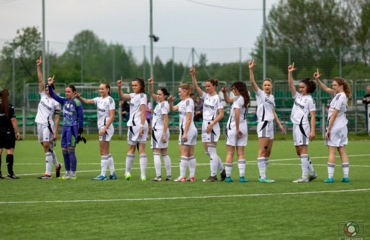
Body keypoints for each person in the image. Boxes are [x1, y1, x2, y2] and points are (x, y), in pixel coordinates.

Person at [249, 59, 285, 183]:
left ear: (272, 86)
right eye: (265, 85)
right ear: (262, 86)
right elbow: (252, 82)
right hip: (263, 123)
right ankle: (262, 176)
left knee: (268, 152)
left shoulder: (272, 97)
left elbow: (273, 112)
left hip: (271, 124)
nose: (267, 86)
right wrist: (251, 69)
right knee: (262, 150)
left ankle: (263, 175)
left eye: (269, 85)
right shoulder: (260, 94)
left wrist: (279, 125)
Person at [314, 70, 351, 183]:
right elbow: (325, 88)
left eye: (335, 85)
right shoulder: (339, 95)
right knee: (342, 151)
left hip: (335, 127)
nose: (333, 87)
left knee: (332, 152)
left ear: (341, 86)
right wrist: (317, 80)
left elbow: (334, 114)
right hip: (343, 126)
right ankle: (345, 176)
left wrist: (328, 129)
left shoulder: (341, 97)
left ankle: (330, 177)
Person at [190, 65, 225, 182]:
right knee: (207, 151)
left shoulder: (217, 98)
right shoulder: (205, 96)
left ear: (214, 86)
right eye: (206, 86)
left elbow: (221, 114)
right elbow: (195, 87)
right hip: (205, 125)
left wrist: (211, 124)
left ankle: (213, 175)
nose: (207, 88)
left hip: (212, 126)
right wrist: (193, 75)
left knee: (212, 151)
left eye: (209, 86)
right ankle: (222, 171)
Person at [75, 83, 117, 180]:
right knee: (106, 151)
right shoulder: (99, 99)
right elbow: (86, 101)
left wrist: (104, 128)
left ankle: (103, 175)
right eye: (100, 89)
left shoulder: (110, 100)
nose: (101, 90)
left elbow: (112, 116)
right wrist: (79, 98)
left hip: (106, 128)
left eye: (103, 89)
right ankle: (113, 173)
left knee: (102, 151)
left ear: (108, 89)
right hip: (103, 128)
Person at [47, 77, 84, 180]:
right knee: (64, 150)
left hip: (72, 128)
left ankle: (73, 173)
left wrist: (80, 130)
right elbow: (53, 95)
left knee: (71, 150)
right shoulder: (64, 101)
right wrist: (49, 85)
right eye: (66, 92)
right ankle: (67, 172)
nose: (67, 93)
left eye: (69, 92)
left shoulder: (77, 102)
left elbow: (81, 117)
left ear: (74, 92)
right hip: (65, 128)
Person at [287, 63, 318, 183]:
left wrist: (313, 130)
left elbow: (313, 116)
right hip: (295, 127)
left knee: (303, 151)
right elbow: (290, 86)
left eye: (302, 87)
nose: (300, 89)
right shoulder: (298, 96)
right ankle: (312, 173)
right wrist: (290, 73)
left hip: (302, 126)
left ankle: (304, 177)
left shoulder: (310, 100)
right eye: (299, 87)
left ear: (308, 88)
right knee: (298, 152)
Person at [35, 57, 62, 179]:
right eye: (45, 89)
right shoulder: (43, 96)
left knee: (47, 146)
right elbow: (40, 80)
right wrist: (38, 66)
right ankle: (57, 166)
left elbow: (56, 118)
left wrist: (56, 132)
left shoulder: (56, 102)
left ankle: (48, 173)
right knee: (46, 146)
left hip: (48, 126)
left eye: (49, 89)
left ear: (53, 89)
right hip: (39, 124)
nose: (47, 91)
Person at [117, 77, 149, 181]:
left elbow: (143, 112)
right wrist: (119, 87)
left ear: (141, 86)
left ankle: (127, 172)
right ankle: (142, 175)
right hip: (140, 125)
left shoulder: (142, 96)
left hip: (136, 125)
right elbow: (121, 95)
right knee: (141, 150)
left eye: (136, 85)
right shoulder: (133, 95)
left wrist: (141, 126)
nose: (134, 87)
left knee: (132, 149)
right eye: (132, 85)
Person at [221, 81, 250, 182]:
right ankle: (242, 177)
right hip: (243, 127)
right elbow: (228, 100)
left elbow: (236, 115)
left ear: (239, 89)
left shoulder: (238, 100)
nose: (232, 91)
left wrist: (237, 129)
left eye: (234, 89)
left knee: (230, 153)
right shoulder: (245, 98)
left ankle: (228, 176)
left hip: (234, 127)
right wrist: (224, 93)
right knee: (241, 153)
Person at [169, 84, 198, 182]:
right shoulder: (183, 102)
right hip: (189, 130)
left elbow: (189, 118)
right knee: (190, 154)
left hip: (188, 130)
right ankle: (192, 176)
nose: (179, 93)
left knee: (184, 154)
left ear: (185, 91)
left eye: (180, 91)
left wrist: (184, 133)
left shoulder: (188, 102)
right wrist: (170, 102)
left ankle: (182, 176)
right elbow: (172, 109)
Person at [147, 77, 172, 181]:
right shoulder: (161, 103)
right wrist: (150, 84)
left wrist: (163, 134)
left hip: (159, 130)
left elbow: (166, 120)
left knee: (155, 151)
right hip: (161, 130)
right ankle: (169, 175)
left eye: (160, 94)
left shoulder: (162, 105)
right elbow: (151, 93)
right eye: (157, 94)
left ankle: (158, 176)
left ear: (165, 96)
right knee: (164, 152)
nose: (157, 95)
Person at [0, 89, 20, 179]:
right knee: (9, 152)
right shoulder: (10, 106)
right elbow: (13, 120)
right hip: (8, 131)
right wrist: (18, 132)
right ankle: (10, 173)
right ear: (7, 96)